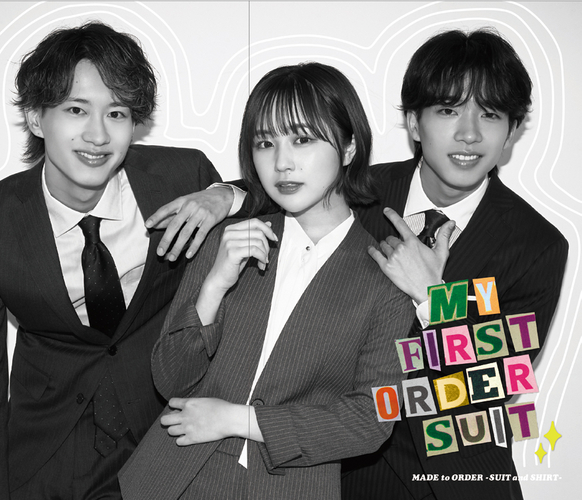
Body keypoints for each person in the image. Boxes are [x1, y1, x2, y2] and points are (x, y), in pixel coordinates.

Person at [0, 22, 242, 500]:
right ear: (37, 118)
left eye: (116, 113)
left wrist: (227, 194)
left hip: (168, 439)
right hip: (50, 453)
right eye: (76, 109)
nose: (98, 135)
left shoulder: (183, 178)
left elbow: (279, 200)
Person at [118, 62, 414, 500]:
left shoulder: (386, 278)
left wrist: (237, 420)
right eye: (265, 143)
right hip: (171, 480)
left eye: (302, 139)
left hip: (291, 487)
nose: (282, 163)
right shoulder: (227, 239)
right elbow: (170, 379)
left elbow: (371, 422)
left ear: (349, 147)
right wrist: (213, 286)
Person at [340, 28, 569, 500]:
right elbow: (275, 187)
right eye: (448, 110)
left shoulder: (536, 244)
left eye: (490, 114)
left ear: (511, 132)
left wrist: (433, 298)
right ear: (414, 123)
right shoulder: (356, 195)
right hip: (343, 473)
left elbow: (494, 385)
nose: (470, 133)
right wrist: (224, 195)